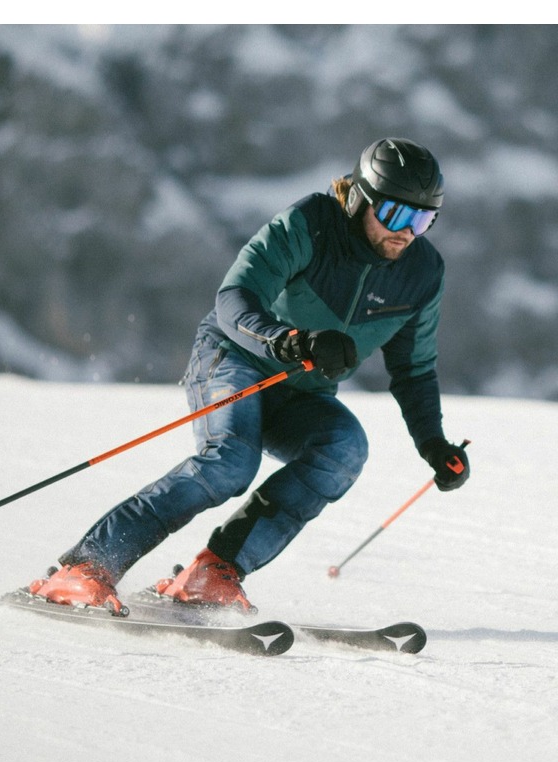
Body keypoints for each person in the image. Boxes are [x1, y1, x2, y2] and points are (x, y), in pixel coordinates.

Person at [28, 137, 470, 615]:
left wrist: (433, 443)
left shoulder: (422, 272)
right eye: (396, 215)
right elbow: (234, 297)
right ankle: (86, 568)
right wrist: (291, 340)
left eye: (423, 220)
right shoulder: (309, 224)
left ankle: (212, 574)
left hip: (300, 389)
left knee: (344, 450)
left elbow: (413, 369)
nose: (407, 232)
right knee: (229, 464)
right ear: (361, 197)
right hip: (233, 357)